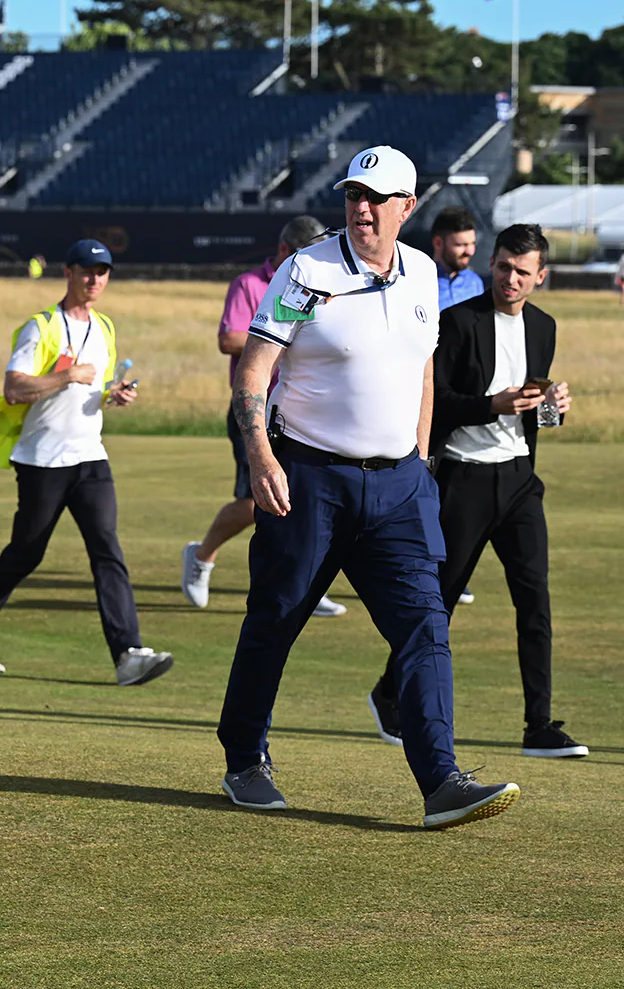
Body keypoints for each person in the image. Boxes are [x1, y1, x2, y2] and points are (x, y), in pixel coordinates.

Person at [217, 145, 520, 829]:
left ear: (406, 208)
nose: (361, 207)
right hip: (311, 478)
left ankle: (441, 781)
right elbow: (255, 370)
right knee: (277, 617)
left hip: (399, 489)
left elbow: (420, 370)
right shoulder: (307, 270)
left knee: (424, 627)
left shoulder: (420, 272)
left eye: (377, 198)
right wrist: (261, 453)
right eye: (354, 194)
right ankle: (244, 759)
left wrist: (416, 458)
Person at [366, 224, 586, 758]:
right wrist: (492, 404)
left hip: (518, 482)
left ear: (541, 276)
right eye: (503, 266)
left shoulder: (544, 326)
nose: (510, 279)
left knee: (535, 601)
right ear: (492, 263)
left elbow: (533, 404)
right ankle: (389, 691)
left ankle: (539, 726)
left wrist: (552, 406)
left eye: (522, 271)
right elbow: (435, 401)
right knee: (438, 600)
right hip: (462, 479)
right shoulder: (458, 322)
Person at [0, 239, 172, 685]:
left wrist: (113, 395)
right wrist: (67, 375)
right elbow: (15, 388)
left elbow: (95, 390)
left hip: (90, 454)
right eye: (88, 271)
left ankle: (128, 654)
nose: (95, 280)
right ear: (68, 273)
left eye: (103, 272)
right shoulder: (40, 326)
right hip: (42, 459)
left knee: (107, 549)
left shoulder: (105, 326)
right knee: (26, 553)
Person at [181, 216, 348, 620]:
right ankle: (202, 556)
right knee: (254, 501)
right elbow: (229, 338)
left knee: (310, 501)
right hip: (255, 408)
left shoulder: (321, 282)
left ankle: (308, 583)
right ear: (285, 251)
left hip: (303, 408)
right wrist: (282, 334)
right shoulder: (249, 284)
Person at [430, 205, 486, 604]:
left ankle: (450, 567)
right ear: (439, 242)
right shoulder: (415, 280)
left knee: (453, 488)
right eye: (460, 244)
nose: (467, 252)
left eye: (471, 245)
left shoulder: (478, 286)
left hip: (459, 397)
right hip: (420, 393)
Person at [431, 206, 484, 311]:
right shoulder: (419, 283)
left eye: (472, 243)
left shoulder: (475, 282)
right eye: (461, 245)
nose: (470, 251)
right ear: (438, 243)